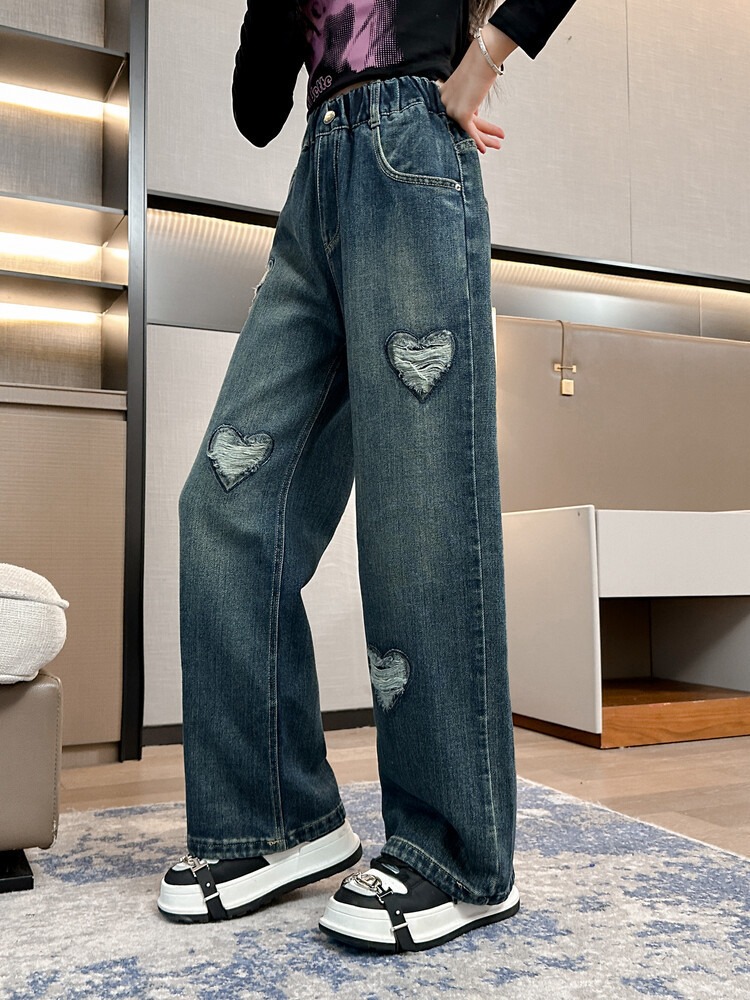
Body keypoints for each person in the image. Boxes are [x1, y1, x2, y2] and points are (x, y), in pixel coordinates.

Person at [157, 0, 578, 953]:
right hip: (317, 180)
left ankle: (457, 855)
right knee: (223, 507)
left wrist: (483, 60)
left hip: (411, 158)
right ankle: (279, 819)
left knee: (417, 511)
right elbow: (256, 110)